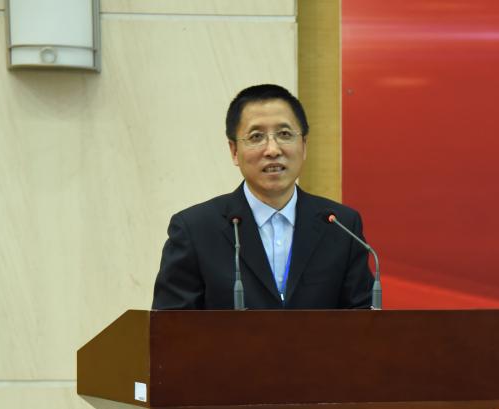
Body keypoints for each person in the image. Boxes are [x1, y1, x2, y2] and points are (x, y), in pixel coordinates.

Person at [151, 84, 374, 310]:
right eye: (256, 136)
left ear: (304, 145)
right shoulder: (195, 230)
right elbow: (170, 325)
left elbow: (364, 321)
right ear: (234, 151)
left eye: (284, 134)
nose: (273, 150)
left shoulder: (341, 227)